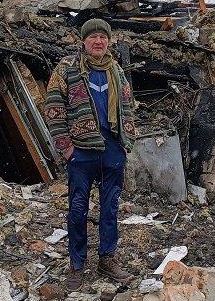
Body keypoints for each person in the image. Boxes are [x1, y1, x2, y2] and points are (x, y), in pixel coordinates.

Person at [44, 18, 136, 291]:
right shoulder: (67, 68)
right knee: (77, 209)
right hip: (81, 153)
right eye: (93, 37)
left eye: (103, 37)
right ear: (83, 41)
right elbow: (54, 108)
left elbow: (128, 106)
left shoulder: (116, 71)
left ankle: (107, 258)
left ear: (108, 41)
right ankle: (77, 263)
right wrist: (66, 148)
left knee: (110, 208)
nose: (98, 41)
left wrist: (126, 142)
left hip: (112, 151)